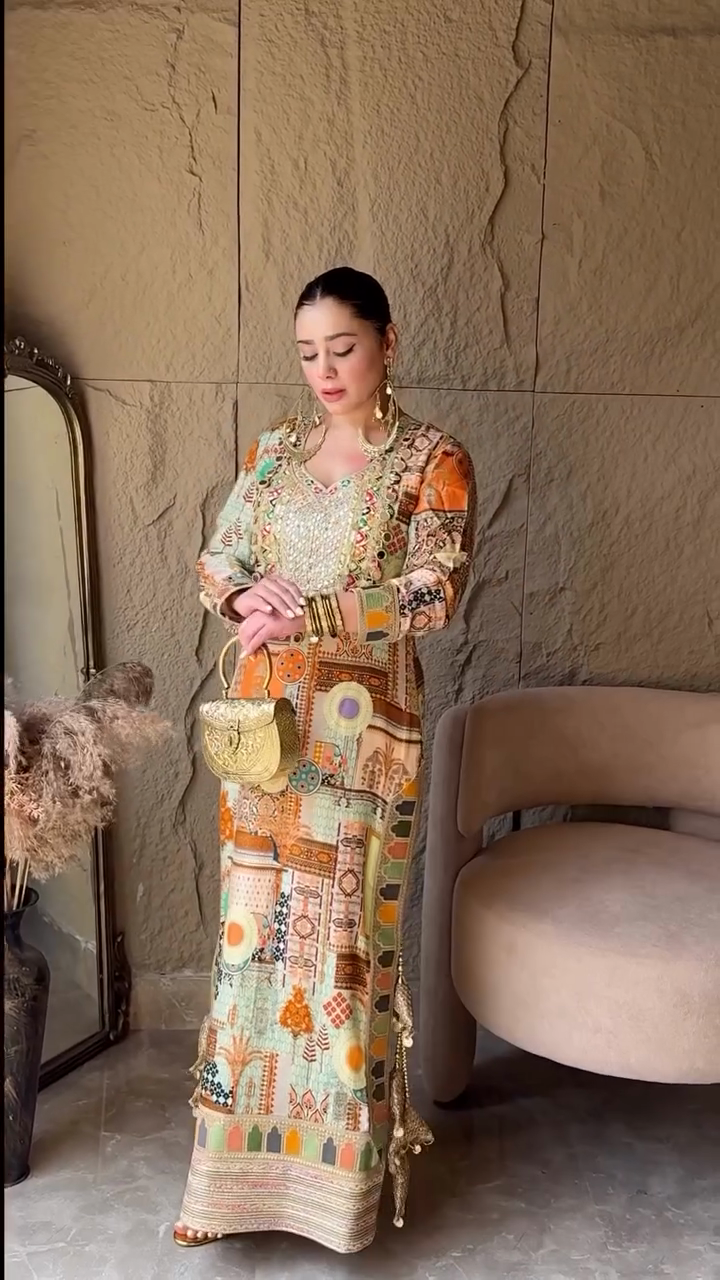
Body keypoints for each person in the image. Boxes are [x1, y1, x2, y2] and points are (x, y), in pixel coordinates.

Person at [174, 267, 476, 1254]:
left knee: (339, 945)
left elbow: (434, 593)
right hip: (269, 737)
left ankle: (337, 1198)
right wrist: (245, 599)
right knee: (252, 942)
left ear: (388, 340)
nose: (324, 370)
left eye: (342, 348)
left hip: (364, 737)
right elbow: (218, 557)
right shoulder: (273, 452)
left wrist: (312, 611)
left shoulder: (433, 460)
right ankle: (228, 1188)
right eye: (308, 353)